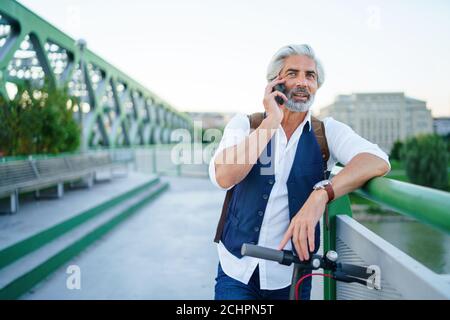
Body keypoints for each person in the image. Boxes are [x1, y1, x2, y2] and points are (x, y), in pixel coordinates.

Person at [209, 44, 390, 300]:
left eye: (310, 76)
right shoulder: (245, 125)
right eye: (292, 74)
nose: (302, 82)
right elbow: (224, 177)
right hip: (236, 271)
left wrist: (322, 194)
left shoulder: (326, 132)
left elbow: (377, 160)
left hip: (292, 276)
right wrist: (271, 121)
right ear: (274, 83)